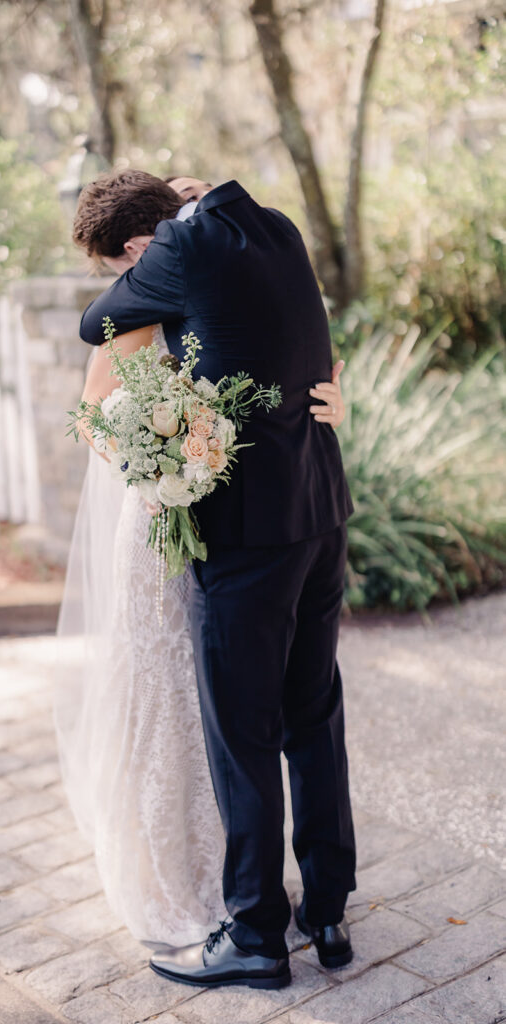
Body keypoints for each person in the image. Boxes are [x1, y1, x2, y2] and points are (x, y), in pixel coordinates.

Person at [61, 170, 355, 989]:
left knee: (242, 733)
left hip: (246, 534)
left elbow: (95, 322)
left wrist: (168, 231)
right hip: (320, 511)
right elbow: (302, 347)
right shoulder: (278, 227)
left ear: (136, 246)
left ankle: (257, 935)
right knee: (314, 712)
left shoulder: (181, 248)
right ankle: (326, 907)